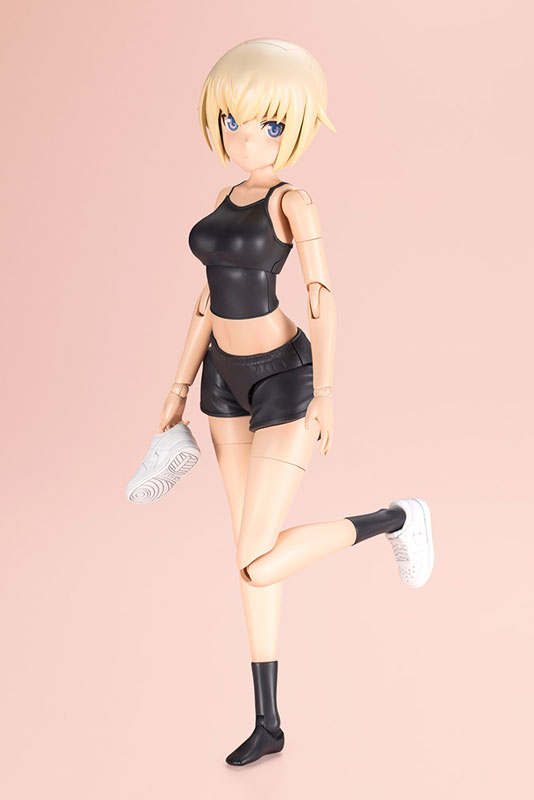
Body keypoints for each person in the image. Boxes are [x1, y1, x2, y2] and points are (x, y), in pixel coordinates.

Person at [157, 38, 434, 767]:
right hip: (221, 381)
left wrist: (328, 393)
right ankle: (268, 723)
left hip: (283, 378)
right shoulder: (225, 199)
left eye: (269, 124)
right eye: (233, 122)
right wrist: (178, 386)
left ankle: (395, 519)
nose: (247, 138)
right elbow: (204, 301)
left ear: (298, 126)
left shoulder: (291, 201)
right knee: (246, 555)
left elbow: (322, 297)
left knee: (256, 562)